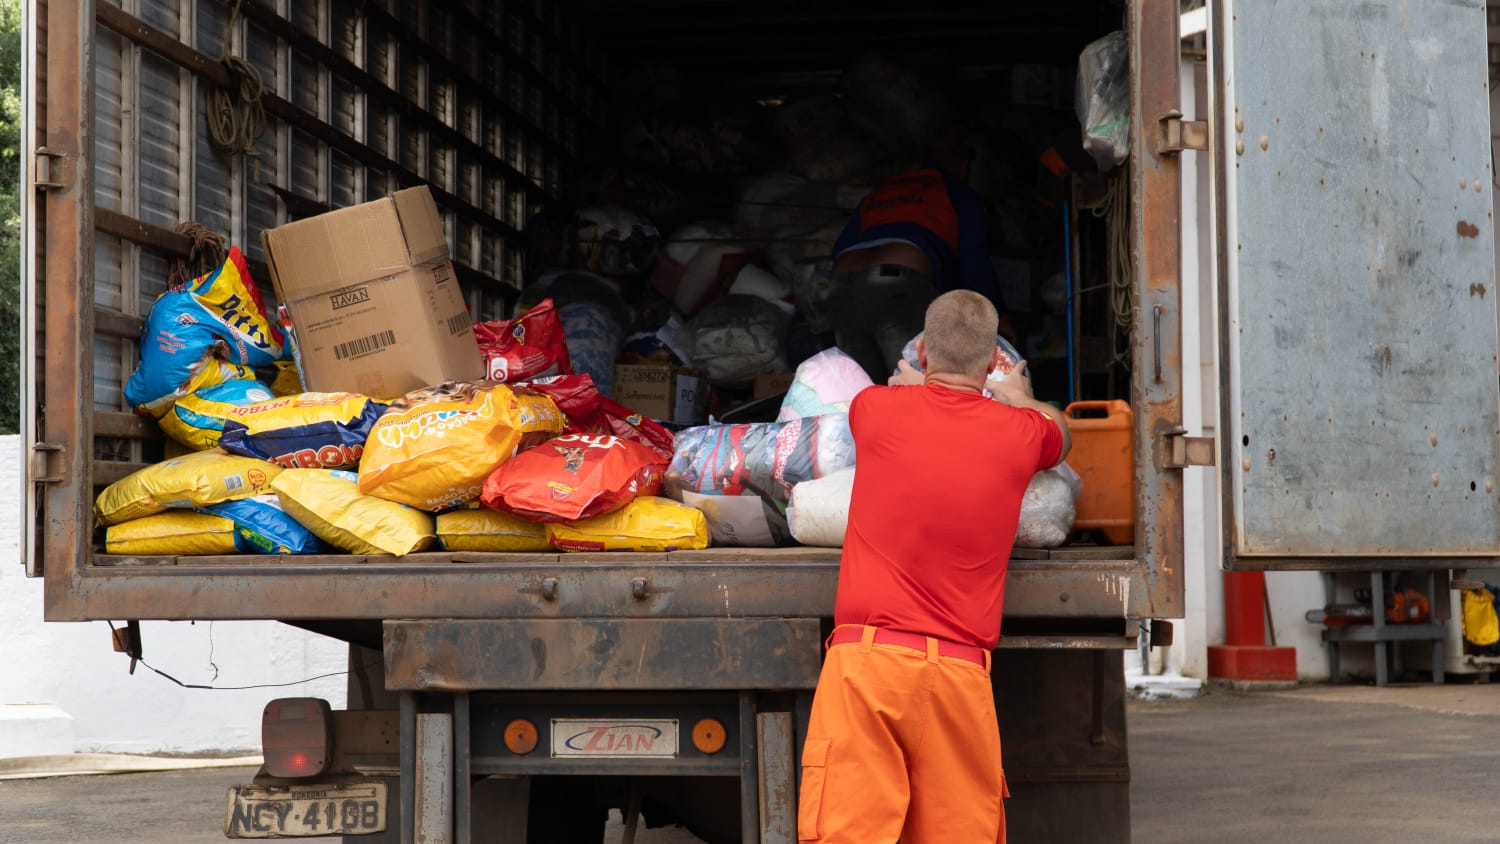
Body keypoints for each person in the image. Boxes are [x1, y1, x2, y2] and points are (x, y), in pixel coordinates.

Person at [797, 290, 1070, 844]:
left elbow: (901, 397)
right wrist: (1019, 397)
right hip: (959, 675)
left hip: (866, 668)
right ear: (994, 360)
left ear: (921, 355)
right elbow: (1063, 433)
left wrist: (912, 385)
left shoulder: (873, 410)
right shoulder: (1020, 433)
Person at [828, 136, 1009, 383]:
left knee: (860, 389)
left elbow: (839, 246)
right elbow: (974, 264)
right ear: (964, 165)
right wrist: (997, 319)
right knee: (914, 384)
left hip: (842, 284)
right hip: (899, 284)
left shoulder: (883, 191)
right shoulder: (956, 191)